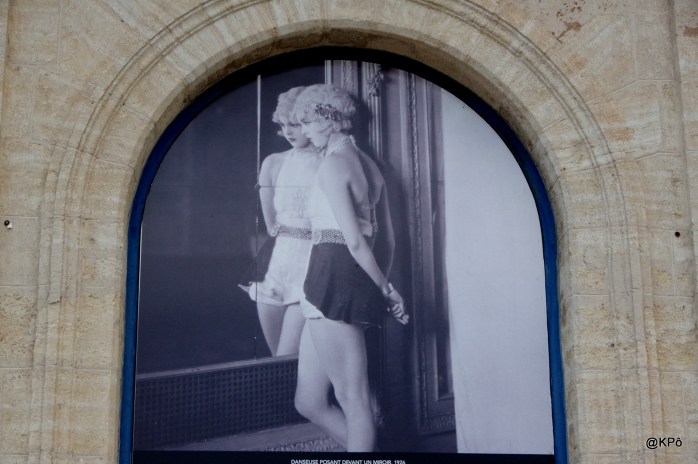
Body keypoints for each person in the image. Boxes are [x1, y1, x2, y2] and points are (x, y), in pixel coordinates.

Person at [292, 84, 408, 452]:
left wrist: (386, 291)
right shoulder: (371, 166)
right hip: (341, 275)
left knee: (354, 400)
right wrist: (381, 285)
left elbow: (355, 241)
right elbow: (388, 241)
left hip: (334, 273)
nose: (304, 131)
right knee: (308, 401)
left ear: (328, 120)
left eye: (307, 122)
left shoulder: (333, 165)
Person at [240, 86, 323, 357]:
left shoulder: (331, 161)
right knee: (276, 363)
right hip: (275, 267)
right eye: (284, 124)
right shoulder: (273, 163)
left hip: (312, 266)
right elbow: (271, 226)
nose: (288, 131)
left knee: (291, 357)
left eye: (296, 124)